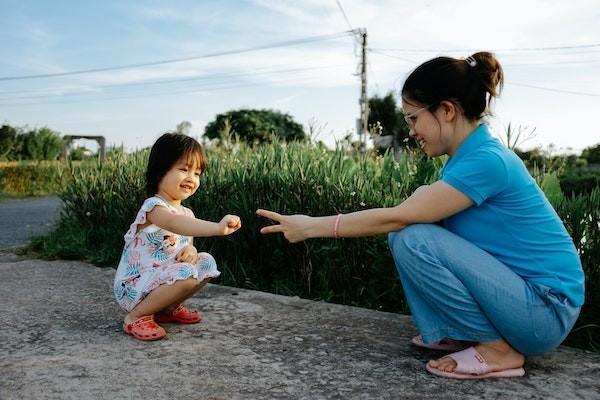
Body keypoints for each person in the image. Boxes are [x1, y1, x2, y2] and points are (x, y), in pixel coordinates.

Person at [256, 52, 584, 379]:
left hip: (544, 310)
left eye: (413, 118)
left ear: (446, 110)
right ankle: (459, 331)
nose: (411, 130)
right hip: (526, 303)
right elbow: (418, 212)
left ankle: (498, 350)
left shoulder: (488, 160)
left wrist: (311, 226)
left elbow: (398, 218)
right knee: (408, 232)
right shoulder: (468, 159)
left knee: (411, 236)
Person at [113, 133, 241, 341]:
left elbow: (187, 242)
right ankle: (135, 316)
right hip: (135, 286)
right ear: (159, 172)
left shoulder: (187, 213)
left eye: (197, 173)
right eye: (183, 169)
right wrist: (217, 228)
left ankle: (167, 308)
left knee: (205, 262)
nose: (192, 178)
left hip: (163, 280)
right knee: (187, 274)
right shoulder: (154, 207)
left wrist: (190, 251)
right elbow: (174, 224)